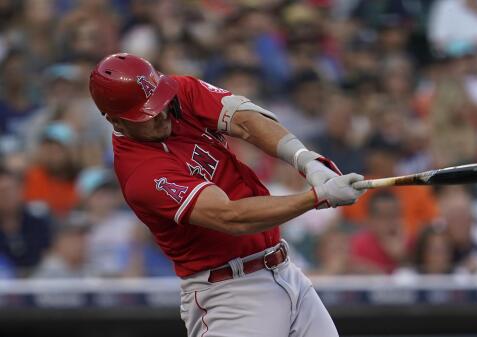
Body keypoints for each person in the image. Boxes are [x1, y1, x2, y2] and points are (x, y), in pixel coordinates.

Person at [88, 53, 365, 337]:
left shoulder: (175, 92)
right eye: (146, 113)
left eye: (159, 101)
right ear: (116, 122)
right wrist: (317, 197)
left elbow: (245, 118)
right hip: (230, 295)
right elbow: (232, 217)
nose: (160, 113)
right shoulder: (141, 173)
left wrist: (305, 160)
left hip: (285, 271)